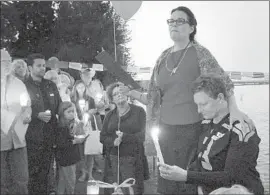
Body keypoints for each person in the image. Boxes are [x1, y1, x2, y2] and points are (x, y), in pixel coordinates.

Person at [118, 6, 254, 194]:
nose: (174, 24)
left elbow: (223, 82)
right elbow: (152, 98)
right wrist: (131, 93)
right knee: (165, 181)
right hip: (164, 131)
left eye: (180, 21)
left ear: (191, 28)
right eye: (171, 21)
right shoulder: (162, 58)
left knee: (187, 182)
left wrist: (235, 110)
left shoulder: (200, 53)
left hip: (193, 130)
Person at [158, 75, 264, 195]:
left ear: (220, 97)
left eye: (203, 104)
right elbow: (199, 160)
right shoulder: (206, 124)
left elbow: (233, 177)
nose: (199, 110)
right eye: (197, 105)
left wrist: (186, 176)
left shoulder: (241, 130)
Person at [100, 82, 149, 195]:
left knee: (132, 190)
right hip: (113, 160)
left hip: (133, 159)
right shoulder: (109, 115)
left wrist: (125, 137)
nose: (119, 95)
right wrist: (113, 141)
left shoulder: (139, 112)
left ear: (127, 94)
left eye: (121, 92)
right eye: (115, 94)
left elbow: (142, 136)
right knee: (114, 190)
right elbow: (102, 137)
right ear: (112, 99)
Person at [24, 53, 62, 195]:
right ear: (30, 67)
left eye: (43, 65)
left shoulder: (51, 85)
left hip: (49, 137)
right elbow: (19, 110)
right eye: (38, 65)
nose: (42, 68)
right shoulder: (24, 86)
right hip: (32, 138)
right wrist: (36, 115)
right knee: (32, 173)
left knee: (46, 172)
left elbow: (59, 106)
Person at [1, 49, 31, 195]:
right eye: (3, 61)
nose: (6, 64)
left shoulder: (18, 84)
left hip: (18, 140)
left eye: (8, 61)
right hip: (1, 142)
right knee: (3, 182)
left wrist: (27, 115)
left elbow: (26, 105)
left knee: (21, 180)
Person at [55, 101, 88, 194]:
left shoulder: (71, 124)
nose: (72, 114)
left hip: (68, 157)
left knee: (62, 181)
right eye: (68, 112)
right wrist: (75, 141)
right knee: (70, 181)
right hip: (67, 158)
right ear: (62, 113)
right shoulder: (61, 127)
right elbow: (61, 143)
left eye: (73, 111)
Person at [70, 80, 100, 181]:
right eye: (79, 87)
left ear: (85, 88)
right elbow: (71, 113)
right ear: (75, 89)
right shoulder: (73, 100)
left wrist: (89, 112)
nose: (81, 89)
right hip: (79, 127)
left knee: (90, 151)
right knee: (81, 151)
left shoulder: (90, 99)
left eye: (83, 87)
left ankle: (90, 174)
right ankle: (84, 172)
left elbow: (94, 111)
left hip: (89, 127)